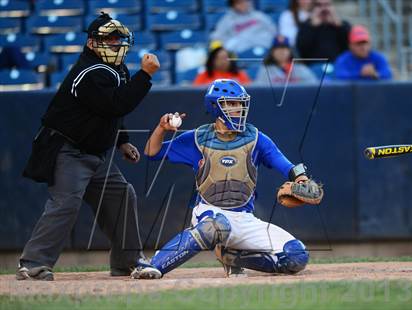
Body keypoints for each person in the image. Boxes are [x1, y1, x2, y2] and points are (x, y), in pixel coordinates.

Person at [130, 79, 323, 279]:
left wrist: (301, 178)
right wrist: (161, 128)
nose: (238, 108)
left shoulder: (256, 138)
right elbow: (152, 152)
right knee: (216, 226)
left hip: (245, 218)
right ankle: (154, 266)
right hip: (209, 211)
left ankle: (232, 257)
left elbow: (286, 165)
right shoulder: (197, 138)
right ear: (214, 106)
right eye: (230, 103)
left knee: (297, 256)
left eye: (239, 103)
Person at [18, 13, 160, 281]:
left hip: (95, 153)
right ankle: (33, 264)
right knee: (66, 203)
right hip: (68, 150)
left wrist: (122, 140)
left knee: (122, 195)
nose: (116, 44)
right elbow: (117, 104)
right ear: (92, 43)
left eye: (119, 39)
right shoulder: (90, 72)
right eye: (110, 39)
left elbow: (110, 112)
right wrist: (145, 76)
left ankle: (127, 262)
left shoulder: (116, 70)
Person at [210, 0, 276, 54]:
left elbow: (273, 31)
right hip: (239, 55)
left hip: (264, 50)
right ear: (233, 5)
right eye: (239, 3)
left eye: (245, 1)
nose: (243, 4)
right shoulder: (227, 20)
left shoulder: (259, 16)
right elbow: (216, 37)